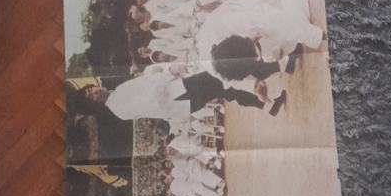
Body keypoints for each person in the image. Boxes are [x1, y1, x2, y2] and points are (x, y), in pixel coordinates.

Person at [74, 65, 286, 122]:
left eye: (90, 89)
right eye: (91, 96)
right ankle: (278, 69)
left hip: (178, 89)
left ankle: (266, 104)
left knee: (225, 87)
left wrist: (165, 74)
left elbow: (147, 82)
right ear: (94, 104)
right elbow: (151, 101)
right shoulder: (118, 107)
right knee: (222, 79)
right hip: (178, 97)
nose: (94, 91)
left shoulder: (118, 91)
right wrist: (167, 75)